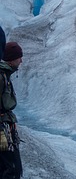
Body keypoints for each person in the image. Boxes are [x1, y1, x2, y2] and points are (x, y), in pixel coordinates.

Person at [0, 38, 22, 179]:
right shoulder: (1, 77)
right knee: (10, 169)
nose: (21, 61)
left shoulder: (5, 75)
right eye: (19, 57)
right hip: (3, 127)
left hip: (6, 125)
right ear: (11, 59)